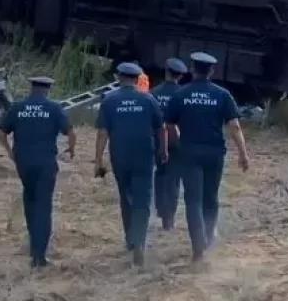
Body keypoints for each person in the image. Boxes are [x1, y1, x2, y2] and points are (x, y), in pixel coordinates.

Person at [164, 52, 250, 263]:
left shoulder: (180, 94)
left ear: (192, 69)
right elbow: (234, 126)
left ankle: (198, 249)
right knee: (210, 197)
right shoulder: (222, 95)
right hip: (214, 155)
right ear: (211, 71)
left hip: (189, 154)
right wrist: (243, 154)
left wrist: (177, 141)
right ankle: (209, 237)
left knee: (192, 200)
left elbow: (169, 125)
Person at [0, 76, 75, 269]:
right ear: (47, 90)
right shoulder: (54, 108)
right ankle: (39, 256)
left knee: (30, 201)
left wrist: (10, 153)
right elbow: (71, 133)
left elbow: (1, 134)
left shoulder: (17, 107)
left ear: (31, 88)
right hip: (45, 163)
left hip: (24, 163)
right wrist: (71, 150)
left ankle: (33, 246)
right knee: (44, 206)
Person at [95, 62, 168, 267]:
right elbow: (160, 127)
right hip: (144, 157)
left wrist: (98, 161)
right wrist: (163, 150)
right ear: (137, 79)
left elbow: (102, 133)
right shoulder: (148, 99)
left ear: (119, 77)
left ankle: (130, 240)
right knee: (143, 201)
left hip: (120, 157)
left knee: (126, 198)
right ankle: (139, 244)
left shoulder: (109, 101)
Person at [150, 57, 189, 230]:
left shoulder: (153, 93)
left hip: (156, 141)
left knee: (159, 175)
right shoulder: (183, 94)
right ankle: (169, 217)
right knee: (174, 179)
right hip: (177, 143)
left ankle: (160, 208)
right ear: (180, 76)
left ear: (166, 72)